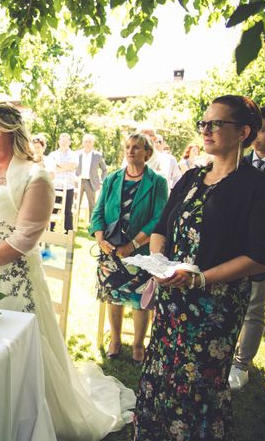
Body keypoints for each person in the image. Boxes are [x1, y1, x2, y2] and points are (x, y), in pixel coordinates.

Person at [0, 104, 135, 440]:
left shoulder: (36, 177)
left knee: (13, 346)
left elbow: (24, 238)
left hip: (10, 280)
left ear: (12, 133)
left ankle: (20, 418)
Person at [135, 95, 265, 440]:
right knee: (162, 374)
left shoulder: (259, 187)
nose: (206, 129)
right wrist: (159, 263)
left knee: (198, 386)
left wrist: (200, 279)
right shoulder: (190, 178)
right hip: (173, 300)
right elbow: (161, 229)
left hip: (215, 307)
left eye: (216, 123)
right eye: (204, 123)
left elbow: (259, 255)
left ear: (244, 131)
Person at [90, 133, 168, 364]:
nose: (130, 151)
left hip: (141, 253)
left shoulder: (157, 182)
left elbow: (159, 217)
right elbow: (98, 212)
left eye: (136, 147)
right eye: (127, 147)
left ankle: (137, 344)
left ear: (147, 153)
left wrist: (133, 245)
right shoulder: (113, 179)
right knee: (113, 297)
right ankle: (114, 339)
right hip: (110, 250)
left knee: (140, 300)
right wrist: (100, 240)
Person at [229, 106, 265, 389]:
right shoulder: (239, 163)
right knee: (230, 303)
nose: (256, 136)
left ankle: (241, 364)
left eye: (263, 130)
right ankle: (225, 354)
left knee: (254, 307)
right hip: (234, 249)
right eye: (254, 129)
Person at [47, 132, 77, 233]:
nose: (64, 143)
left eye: (66, 141)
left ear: (69, 142)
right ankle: (50, 229)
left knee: (67, 211)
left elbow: (72, 166)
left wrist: (59, 165)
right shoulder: (53, 154)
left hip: (68, 187)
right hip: (55, 186)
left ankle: (68, 231)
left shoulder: (74, 154)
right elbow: (52, 168)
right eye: (62, 141)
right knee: (52, 209)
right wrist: (66, 167)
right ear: (59, 142)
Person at [76, 133, 108, 216]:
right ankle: (73, 224)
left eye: (90, 142)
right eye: (86, 141)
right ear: (83, 143)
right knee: (76, 204)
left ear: (93, 143)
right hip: (78, 182)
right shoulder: (77, 154)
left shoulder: (98, 155)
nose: (88, 143)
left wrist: (101, 181)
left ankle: (92, 225)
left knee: (92, 205)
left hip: (91, 183)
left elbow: (104, 169)